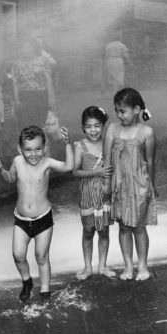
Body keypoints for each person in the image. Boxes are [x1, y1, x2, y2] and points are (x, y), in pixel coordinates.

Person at [0, 125, 74, 301]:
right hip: (21, 219)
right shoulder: (17, 162)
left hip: (43, 218)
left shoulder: (47, 163)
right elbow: (10, 178)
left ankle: (45, 290)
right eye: (28, 150)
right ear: (19, 149)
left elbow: (68, 167)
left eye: (38, 149)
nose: (34, 154)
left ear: (44, 148)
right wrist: (1, 169)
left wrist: (67, 143)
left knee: (41, 256)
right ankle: (26, 280)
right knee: (18, 254)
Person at [103, 88, 157, 281]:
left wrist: (152, 186)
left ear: (136, 109)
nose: (119, 115)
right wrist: (106, 185)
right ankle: (128, 265)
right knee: (123, 227)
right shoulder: (112, 129)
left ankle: (142, 264)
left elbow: (150, 161)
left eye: (123, 111)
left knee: (139, 227)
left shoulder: (146, 132)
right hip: (119, 185)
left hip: (139, 185)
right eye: (117, 111)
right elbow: (107, 159)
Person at [72, 106, 114, 279]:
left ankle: (102, 266)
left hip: (104, 193)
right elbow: (75, 172)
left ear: (103, 125)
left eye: (97, 125)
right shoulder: (80, 146)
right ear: (83, 127)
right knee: (88, 230)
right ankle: (87, 267)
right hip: (87, 193)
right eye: (89, 126)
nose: (93, 130)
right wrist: (96, 172)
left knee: (103, 231)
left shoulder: (108, 144)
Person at [10, 37, 57, 128]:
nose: (26, 50)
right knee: (25, 123)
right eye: (24, 47)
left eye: (29, 47)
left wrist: (51, 98)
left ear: (34, 48)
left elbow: (48, 80)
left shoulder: (42, 61)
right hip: (24, 96)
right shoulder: (17, 64)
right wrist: (16, 99)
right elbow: (15, 83)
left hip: (40, 96)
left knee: (40, 123)